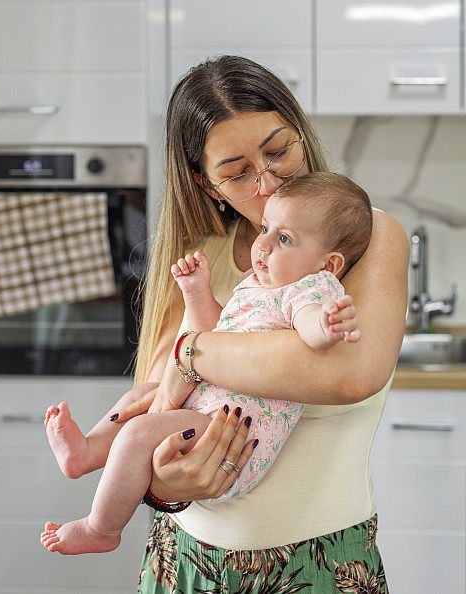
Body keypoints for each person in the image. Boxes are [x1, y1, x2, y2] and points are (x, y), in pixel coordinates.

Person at [115, 55, 407, 593]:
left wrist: (192, 352)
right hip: (183, 561)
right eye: (237, 172)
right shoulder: (199, 259)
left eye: (278, 152)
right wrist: (163, 483)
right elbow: (152, 411)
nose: (268, 182)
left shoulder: (369, 240)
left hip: (321, 567)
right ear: (207, 185)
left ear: (301, 134)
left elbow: (347, 373)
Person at [39, 172, 371, 556]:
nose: (262, 244)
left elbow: (309, 324)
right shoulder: (257, 283)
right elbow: (216, 335)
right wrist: (197, 292)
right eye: (266, 229)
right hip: (211, 408)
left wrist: (327, 323)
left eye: (283, 239)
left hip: (230, 434)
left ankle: (102, 528)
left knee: (136, 435)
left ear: (328, 264)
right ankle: (87, 451)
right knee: (148, 390)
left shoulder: (309, 288)